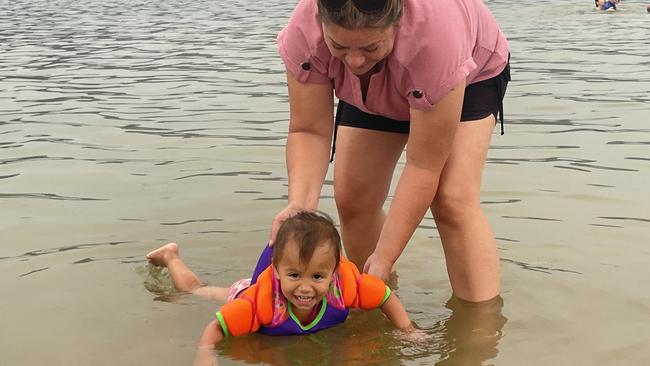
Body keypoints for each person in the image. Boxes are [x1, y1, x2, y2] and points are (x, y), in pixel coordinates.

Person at [270, 0, 511, 303]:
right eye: (339, 45)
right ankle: (376, 300)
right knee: (354, 198)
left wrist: (385, 257)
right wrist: (299, 206)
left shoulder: (436, 38)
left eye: (370, 47)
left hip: (466, 73)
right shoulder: (304, 28)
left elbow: (423, 165)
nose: (355, 61)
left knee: (452, 199)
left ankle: (479, 331)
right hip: (375, 87)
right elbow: (309, 130)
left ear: (398, 22)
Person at [146, 211, 414, 353]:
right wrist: (205, 354)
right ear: (276, 270)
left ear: (333, 272)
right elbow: (216, 327)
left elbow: (385, 296)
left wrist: (408, 330)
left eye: (317, 276)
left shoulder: (344, 287)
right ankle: (171, 256)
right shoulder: (257, 306)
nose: (305, 288)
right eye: (295, 275)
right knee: (195, 291)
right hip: (248, 291)